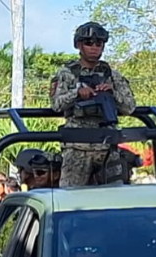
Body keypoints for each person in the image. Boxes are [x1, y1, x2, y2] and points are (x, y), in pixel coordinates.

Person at [50, 21, 137, 188]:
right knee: (70, 197)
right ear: (79, 45)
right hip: (77, 147)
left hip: (107, 147)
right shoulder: (67, 74)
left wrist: (112, 93)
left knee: (115, 196)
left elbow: (130, 107)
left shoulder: (111, 75)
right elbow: (56, 105)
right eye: (89, 43)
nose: (94, 47)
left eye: (99, 43)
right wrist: (77, 93)